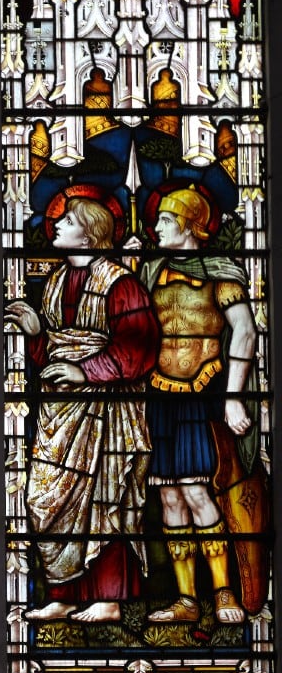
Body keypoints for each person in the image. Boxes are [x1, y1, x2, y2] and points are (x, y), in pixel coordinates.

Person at [5, 189, 159, 622]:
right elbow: (52, 357)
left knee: (104, 496)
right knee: (50, 497)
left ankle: (108, 598)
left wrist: (85, 372)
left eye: (67, 221)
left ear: (90, 236)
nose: (56, 225)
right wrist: (36, 334)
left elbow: (138, 349)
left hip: (110, 410)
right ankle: (65, 594)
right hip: (62, 413)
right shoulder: (55, 281)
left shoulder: (121, 284)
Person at [137, 185, 255, 624]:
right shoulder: (151, 274)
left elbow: (243, 332)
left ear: (188, 226)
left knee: (196, 490)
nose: (157, 228)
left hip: (200, 394)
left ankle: (223, 591)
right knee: (169, 497)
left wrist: (234, 398)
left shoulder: (220, 275)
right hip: (158, 395)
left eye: (165, 221)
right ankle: (186, 600)